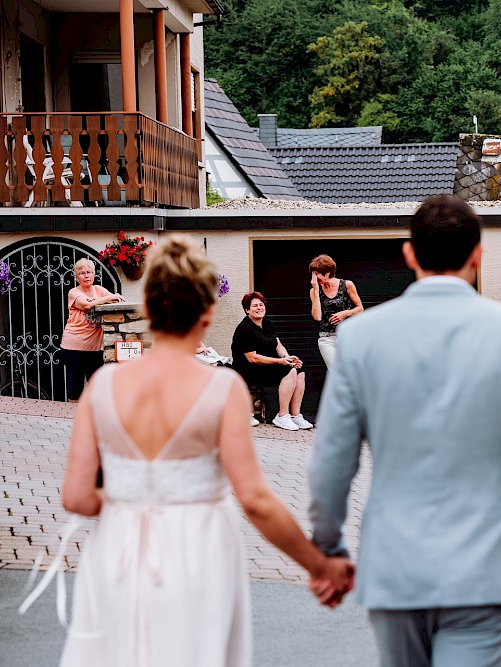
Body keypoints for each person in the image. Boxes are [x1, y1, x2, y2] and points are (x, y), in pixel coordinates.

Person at [57, 235, 352, 666]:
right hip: (199, 551)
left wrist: (134, 501)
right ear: (209, 310)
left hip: (118, 551)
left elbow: (77, 498)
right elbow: (255, 500)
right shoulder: (220, 388)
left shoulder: (103, 386)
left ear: (150, 309)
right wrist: (319, 565)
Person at [308, 195, 501, 667]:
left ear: (410, 255)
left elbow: (332, 460)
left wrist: (328, 550)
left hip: (395, 565)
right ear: (478, 255)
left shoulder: (362, 338)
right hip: (488, 567)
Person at [231, 292, 313, 431]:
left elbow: (278, 345)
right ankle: (282, 415)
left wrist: (289, 358)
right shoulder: (244, 328)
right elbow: (253, 358)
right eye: (255, 306)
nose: (259, 308)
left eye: (261, 305)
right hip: (248, 369)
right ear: (247, 310)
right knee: (289, 371)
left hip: (266, 366)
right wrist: (281, 362)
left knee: (300, 372)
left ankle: (295, 416)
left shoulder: (267, 323)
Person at [60, 259, 125, 402]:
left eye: (89, 272)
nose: (86, 276)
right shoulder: (74, 292)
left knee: (97, 387)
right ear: (77, 277)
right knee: (75, 389)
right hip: (74, 347)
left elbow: (115, 300)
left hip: (95, 348)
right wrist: (108, 298)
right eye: (82, 273)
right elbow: (85, 305)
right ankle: (71, 419)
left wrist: (109, 298)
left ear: (94, 274)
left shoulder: (99, 290)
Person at [309, 254, 363, 371]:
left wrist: (344, 313)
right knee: (336, 372)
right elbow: (317, 317)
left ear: (327, 272)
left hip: (347, 336)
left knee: (351, 370)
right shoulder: (314, 291)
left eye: (316, 274)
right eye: (312, 274)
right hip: (326, 339)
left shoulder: (347, 285)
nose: (314, 278)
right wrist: (316, 291)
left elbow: (360, 308)